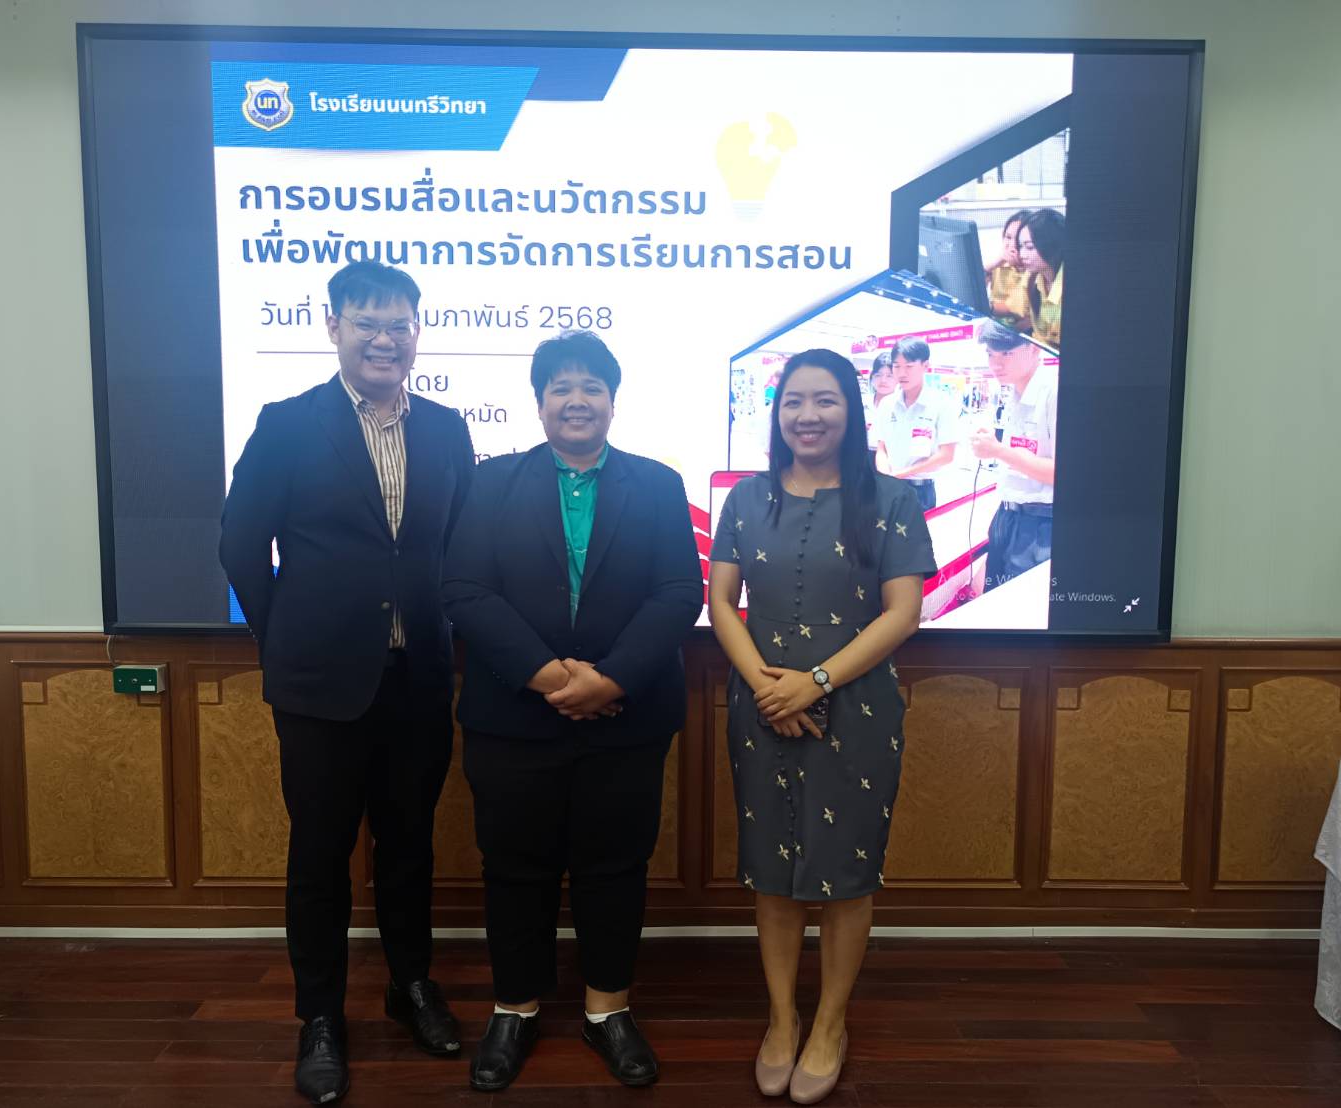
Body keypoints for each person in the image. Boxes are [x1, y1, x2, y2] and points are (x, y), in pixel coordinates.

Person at [219, 260, 475, 1105]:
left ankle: (410, 987)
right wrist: (285, 637)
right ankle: (321, 1017)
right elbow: (240, 544)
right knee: (320, 855)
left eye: (399, 324)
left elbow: (461, 550)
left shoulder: (446, 430)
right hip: (318, 686)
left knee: (408, 846)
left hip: (418, 678)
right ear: (332, 326)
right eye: (367, 322)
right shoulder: (288, 424)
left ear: (416, 333)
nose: (384, 339)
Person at [441, 331, 703, 1093]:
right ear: (539, 402)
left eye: (591, 386)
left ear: (612, 401)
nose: (576, 400)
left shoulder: (656, 483)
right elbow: (464, 590)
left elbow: (677, 593)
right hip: (512, 717)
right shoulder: (492, 482)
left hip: (627, 719)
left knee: (613, 867)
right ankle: (514, 1009)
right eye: (560, 386)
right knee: (513, 868)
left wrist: (611, 680)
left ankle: (606, 1009)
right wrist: (550, 676)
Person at [707, 349, 933, 1105]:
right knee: (772, 873)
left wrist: (817, 681)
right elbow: (721, 603)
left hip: (858, 709)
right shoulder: (746, 498)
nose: (807, 416)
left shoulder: (892, 499)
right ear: (776, 413)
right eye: (793, 402)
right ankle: (782, 1019)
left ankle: (830, 1023)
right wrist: (766, 686)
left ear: (851, 410)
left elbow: (904, 613)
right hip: (762, 705)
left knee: (846, 874)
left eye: (825, 400)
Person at [968, 319, 1057, 594]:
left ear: (1035, 348)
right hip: (1008, 515)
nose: (996, 364)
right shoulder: (1014, 394)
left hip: (1041, 523)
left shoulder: (1054, 392)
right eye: (991, 354)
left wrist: (998, 450)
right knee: (990, 592)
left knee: (1020, 603)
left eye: (1006, 353)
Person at [872, 337, 961, 513]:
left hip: (920, 491)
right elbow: (881, 448)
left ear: (925, 366)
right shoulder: (887, 404)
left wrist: (900, 475)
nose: (902, 373)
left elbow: (946, 455)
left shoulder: (941, 403)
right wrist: (886, 478)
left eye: (909, 366)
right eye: (897, 366)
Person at [1018, 208, 1065, 349]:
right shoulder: (1032, 279)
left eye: (1029, 247)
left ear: (1051, 245)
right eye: (1020, 246)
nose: (1022, 255)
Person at [985, 209, 1032, 327]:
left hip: (1019, 331)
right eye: (1008, 237)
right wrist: (992, 265)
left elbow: (1014, 308)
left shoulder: (1034, 270)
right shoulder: (1000, 264)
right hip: (995, 324)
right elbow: (973, 289)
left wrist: (984, 307)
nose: (1012, 245)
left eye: (1018, 240)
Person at [862, 350, 895, 458]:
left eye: (889, 376)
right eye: (878, 375)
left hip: (889, 457)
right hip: (861, 455)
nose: (883, 380)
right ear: (872, 378)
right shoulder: (861, 403)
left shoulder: (902, 406)